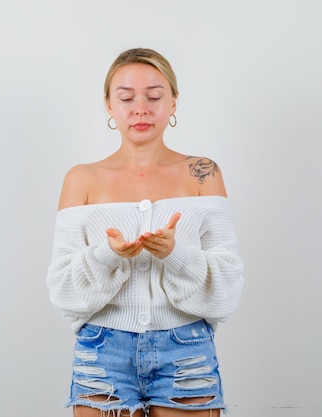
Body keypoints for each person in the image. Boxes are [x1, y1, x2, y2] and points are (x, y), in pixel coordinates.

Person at [46, 48, 244, 417]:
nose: (141, 108)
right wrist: (108, 254)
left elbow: (228, 286)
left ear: (173, 104)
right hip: (102, 350)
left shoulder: (204, 172)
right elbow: (63, 289)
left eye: (154, 96)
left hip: (186, 350)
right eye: (125, 97)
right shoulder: (81, 179)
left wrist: (175, 254)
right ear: (108, 106)